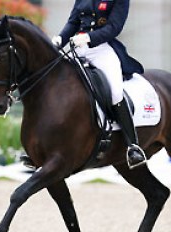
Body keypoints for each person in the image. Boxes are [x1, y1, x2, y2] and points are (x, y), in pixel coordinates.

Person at [52, 0, 146, 169]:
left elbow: (114, 27)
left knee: (116, 92)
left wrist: (89, 37)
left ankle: (133, 146)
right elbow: (73, 22)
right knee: (55, 84)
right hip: (77, 49)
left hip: (101, 49)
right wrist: (60, 38)